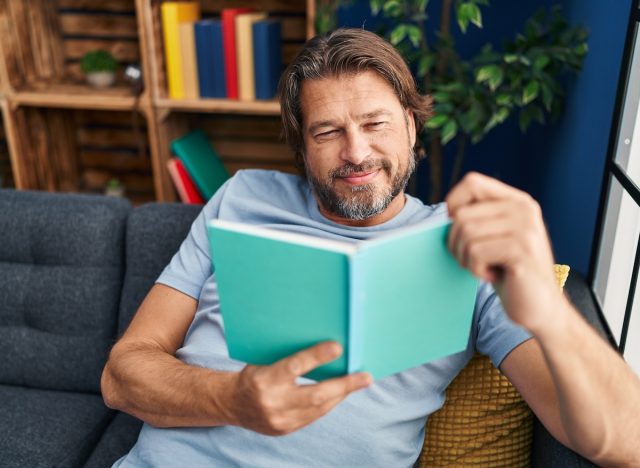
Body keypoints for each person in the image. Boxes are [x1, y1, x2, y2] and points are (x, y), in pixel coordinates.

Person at [102, 28, 640, 466]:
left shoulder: (465, 244)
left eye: (375, 123)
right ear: (301, 148)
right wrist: (232, 400)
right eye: (327, 132)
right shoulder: (241, 197)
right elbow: (122, 375)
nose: (356, 152)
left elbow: (622, 441)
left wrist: (549, 311)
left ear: (410, 124)